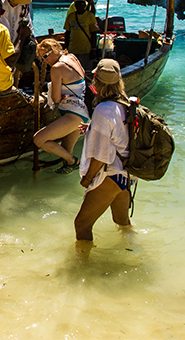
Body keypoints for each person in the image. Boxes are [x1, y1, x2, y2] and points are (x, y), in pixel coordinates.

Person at [74, 58, 134, 244]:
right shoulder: (125, 104)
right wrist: (92, 128)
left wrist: (87, 179)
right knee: (122, 222)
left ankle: (84, 268)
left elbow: (101, 156)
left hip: (110, 176)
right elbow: (120, 136)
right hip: (126, 175)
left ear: (95, 80)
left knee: (82, 224)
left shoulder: (102, 110)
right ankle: (132, 249)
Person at [33, 39, 89, 174]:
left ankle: (73, 161)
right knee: (66, 154)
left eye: (46, 56)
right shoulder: (72, 57)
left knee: (39, 140)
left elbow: (56, 99)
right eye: (41, 59)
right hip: (82, 112)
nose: (45, 61)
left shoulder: (57, 68)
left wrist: (50, 93)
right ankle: (70, 168)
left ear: (55, 50)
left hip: (73, 114)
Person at [0, 0, 35, 84]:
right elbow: (3, 29)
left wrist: (32, 37)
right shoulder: (1, 2)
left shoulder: (25, 3)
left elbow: (28, 20)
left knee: (13, 75)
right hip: (5, 45)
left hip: (18, 40)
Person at [63, 0, 99, 69]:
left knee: (85, 70)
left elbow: (93, 33)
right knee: (73, 70)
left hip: (85, 50)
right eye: (77, 4)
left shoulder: (90, 16)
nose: (79, 5)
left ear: (84, 5)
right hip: (73, 49)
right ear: (75, 5)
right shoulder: (71, 16)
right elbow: (67, 33)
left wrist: (93, 49)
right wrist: (66, 48)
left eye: (81, 4)